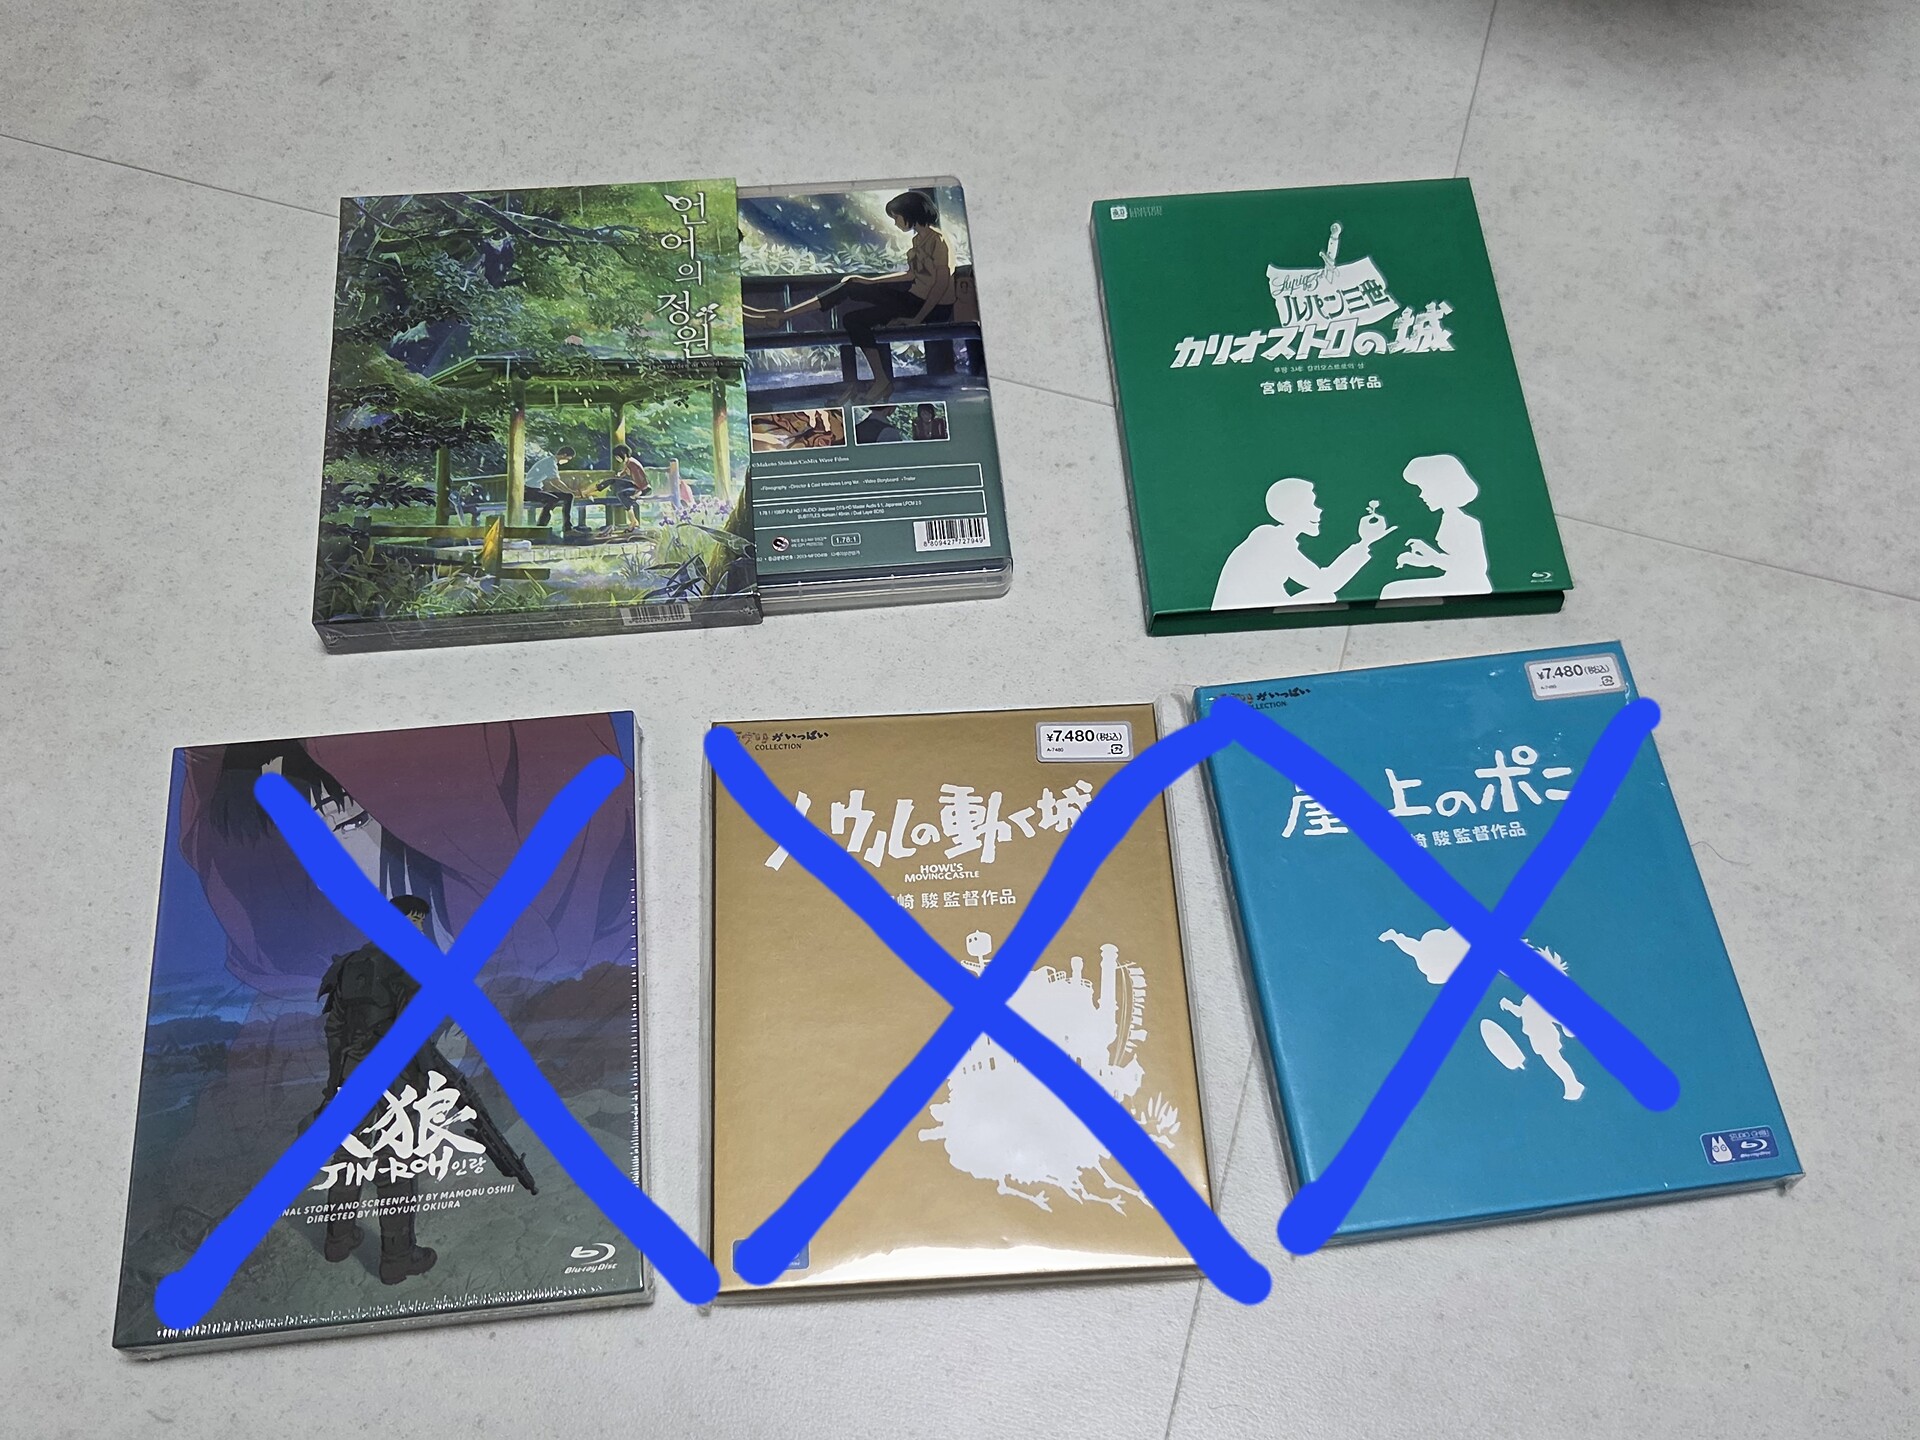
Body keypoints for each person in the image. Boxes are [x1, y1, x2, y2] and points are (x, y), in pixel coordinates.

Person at [314, 894, 443, 1286]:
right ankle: (397, 1259)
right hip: (393, 1082)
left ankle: (337, 1241)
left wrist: (336, 1081)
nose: (420, 928)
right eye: (414, 919)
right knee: (396, 1167)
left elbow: (334, 1030)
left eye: (422, 921)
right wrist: (429, 1080)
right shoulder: (410, 965)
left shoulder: (349, 965)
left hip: (351, 1076)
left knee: (348, 1158)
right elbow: (413, 1035)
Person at [748, 190, 956, 403]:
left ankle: (880, 381)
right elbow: (910, 275)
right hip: (912, 301)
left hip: (934, 308)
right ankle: (783, 316)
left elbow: (941, 284)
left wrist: (918, 319)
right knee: (851, 298)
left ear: (910, 213)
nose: (895, 223)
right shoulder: (918, 241)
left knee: (853, 311)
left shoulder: (938, 241)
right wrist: (869, 282)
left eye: (896, 217)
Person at [1212, 477, 1394, 610]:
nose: (1319, 511)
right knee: (1324, 596)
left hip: (1252, 614)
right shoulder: (1272, 540)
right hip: (1248, 618)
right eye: (1313, 505)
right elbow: (1325, 582)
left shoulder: (1269, 537)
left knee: (1323, 596)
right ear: (1292, 509)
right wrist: (1365, 542)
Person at [1379, 454, 1492, 598]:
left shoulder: (1466, 523)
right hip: (1455, 582)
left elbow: (1475, 569)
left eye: (1424, 488)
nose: (1421, 495)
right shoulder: (1449, 518)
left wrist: (1433, 559)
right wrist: (1427, 558)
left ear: (1443, 488)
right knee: (1392, 590)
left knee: (1392, 591)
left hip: (1469, 586)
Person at [523, 443, 579, 535]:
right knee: (553, 499)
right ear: (564, 455)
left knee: (569, 496)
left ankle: (567, 528)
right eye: (568, 459)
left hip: (537, 490)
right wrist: (570, 490)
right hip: (529, 491)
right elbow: (556, 481)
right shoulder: (550, 463)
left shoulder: (551, 461)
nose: (567, 461)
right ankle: (540, 527)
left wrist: (569, 492)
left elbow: (554, 482)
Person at [601, 443, 650, 530]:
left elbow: (640, 480)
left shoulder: (632, 464)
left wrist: (638, 493)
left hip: (643, 488)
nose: (617, 459)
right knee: (617, 486)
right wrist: (620, 475)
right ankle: (633, 520)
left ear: (623, 454)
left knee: (621, 494)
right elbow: (624, 472)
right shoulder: (629, 462)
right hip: (638, 486)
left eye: (617, 457)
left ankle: (633, 521)